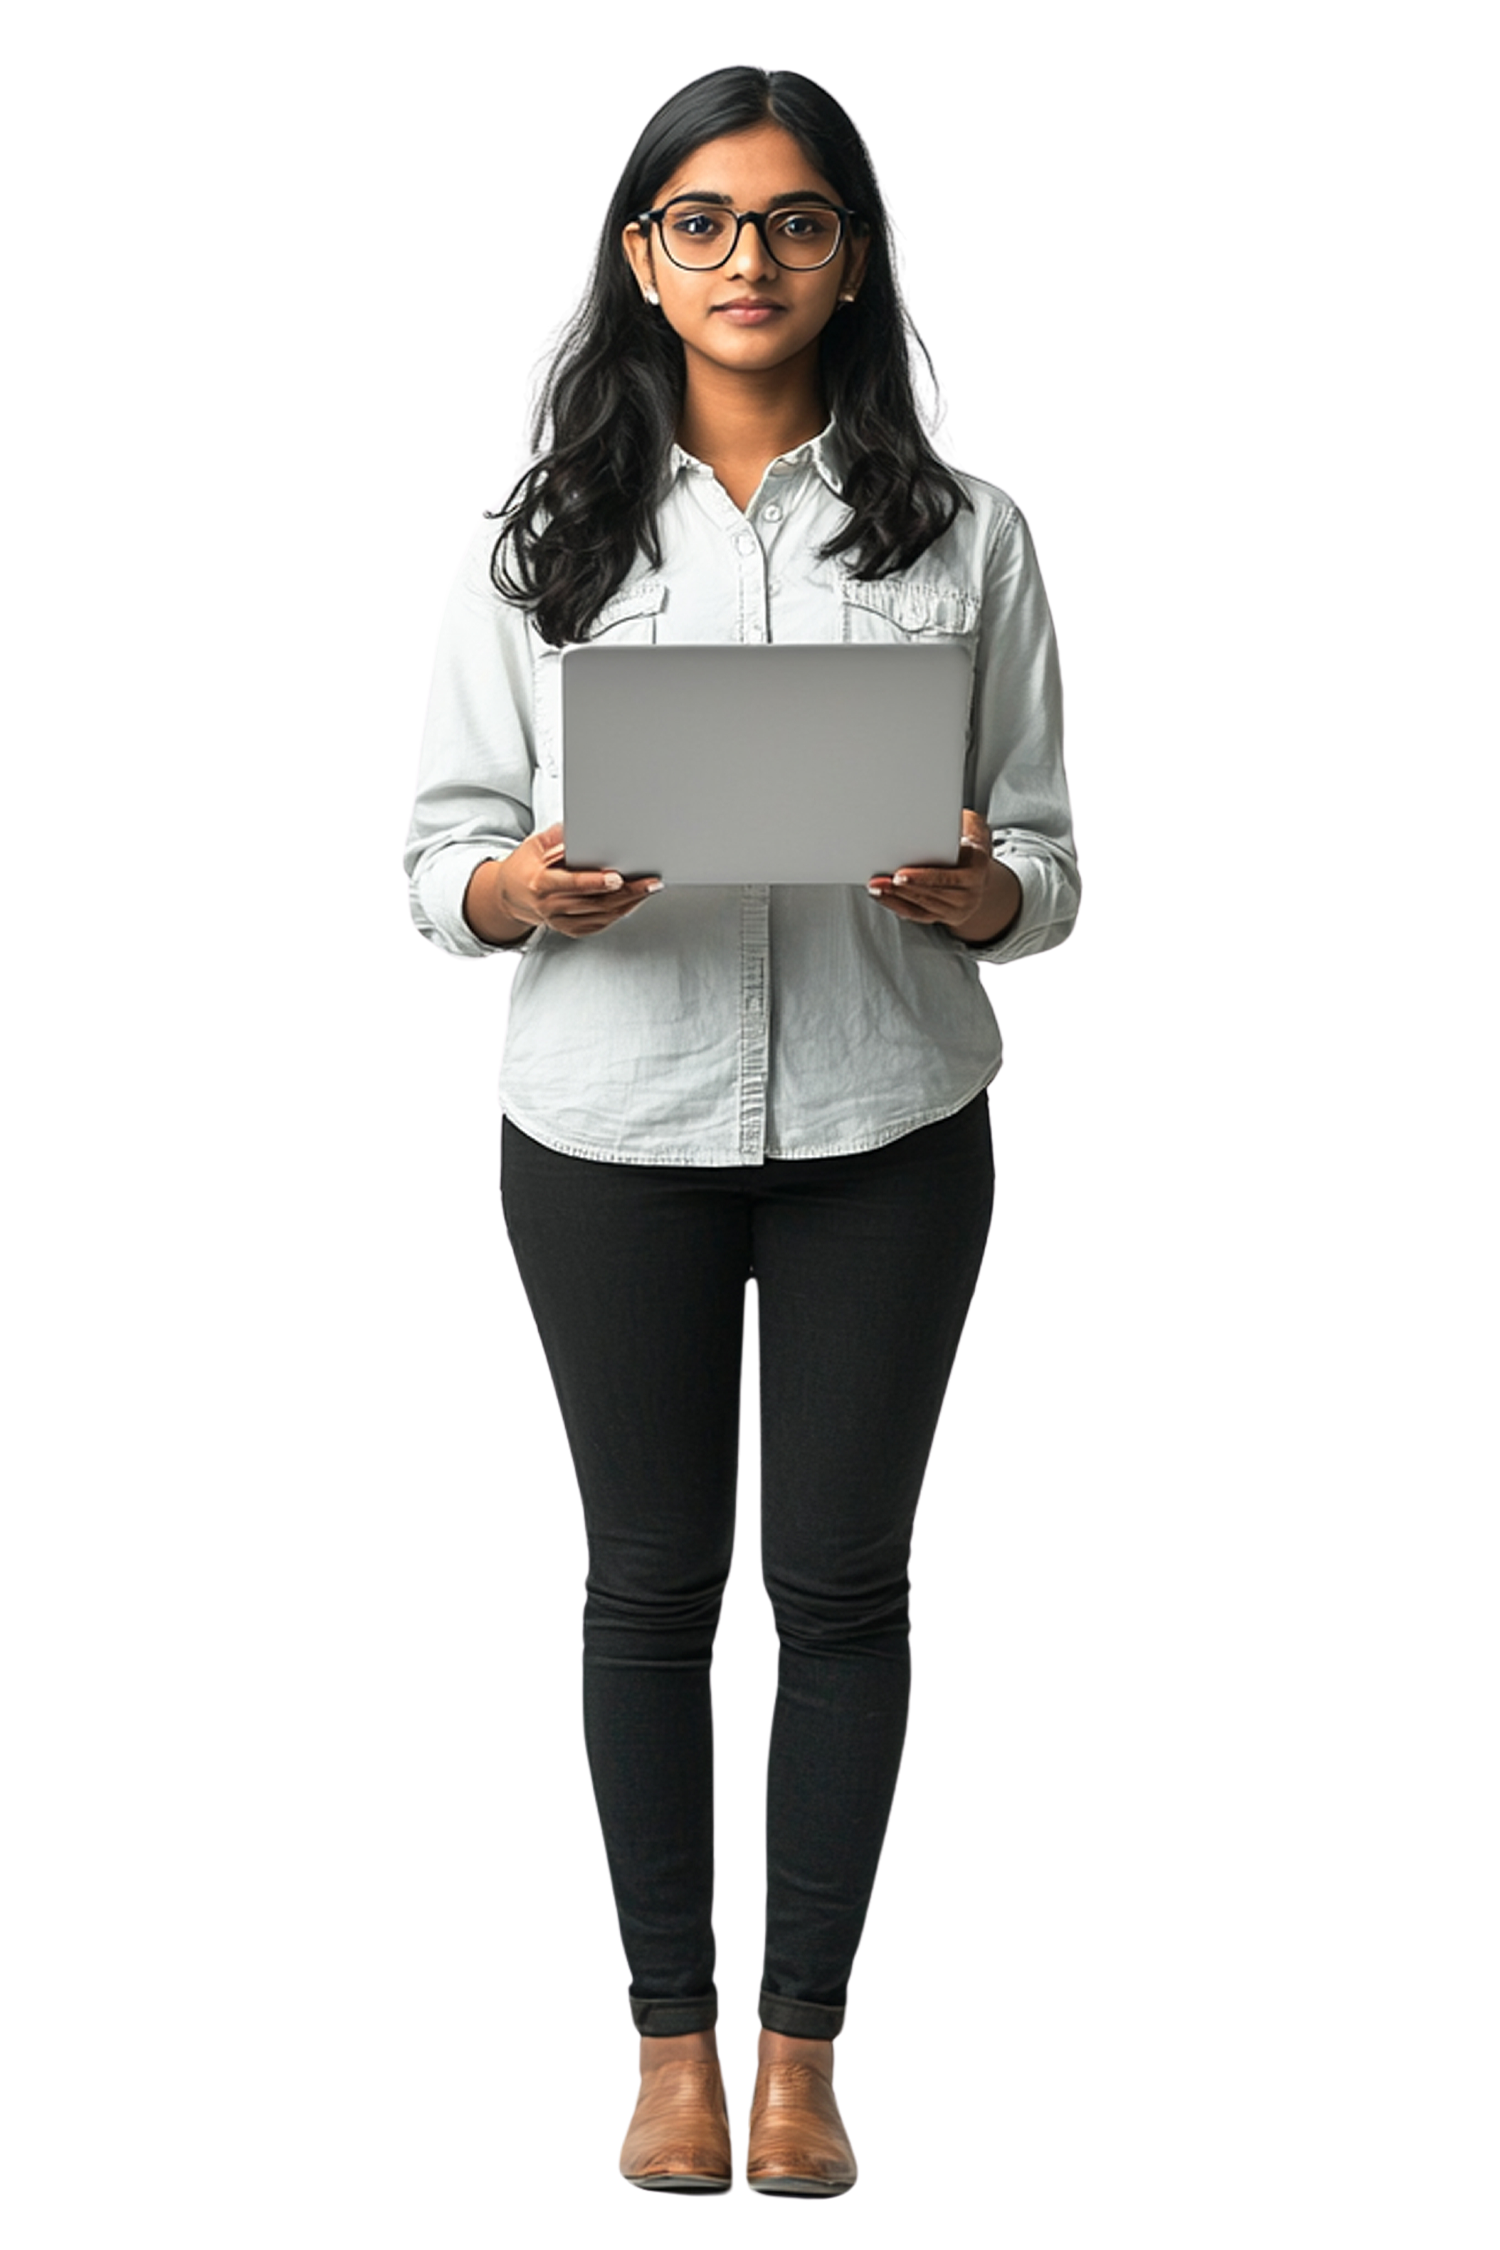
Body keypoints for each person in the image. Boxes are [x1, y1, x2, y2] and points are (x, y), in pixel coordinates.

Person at [405, 65, 1079, 2196]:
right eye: (702, 221)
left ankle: (799, 2064)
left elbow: (1046, 847)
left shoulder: (968, 536)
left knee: (852, 1581)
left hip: (889, 1112)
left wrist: (992, 895)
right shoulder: (539, 543)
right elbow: (435, 856)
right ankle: (663, 2060)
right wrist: (518, 889)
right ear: (640, 257)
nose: (748, 261)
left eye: (793, 222)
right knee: (646, 1580)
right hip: (613, 1120)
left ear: (851, 254)